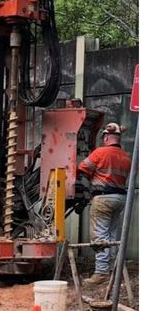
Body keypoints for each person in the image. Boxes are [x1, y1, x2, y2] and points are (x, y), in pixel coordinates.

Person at [78, 122, 132, 285]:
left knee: (100, 236)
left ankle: (101, 273)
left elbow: (82, 168)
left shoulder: (100, 152)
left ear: (107, 138)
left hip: (103, 199)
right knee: (112, 235)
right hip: (120, 199)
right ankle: (113, 271)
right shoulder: (125, 157)